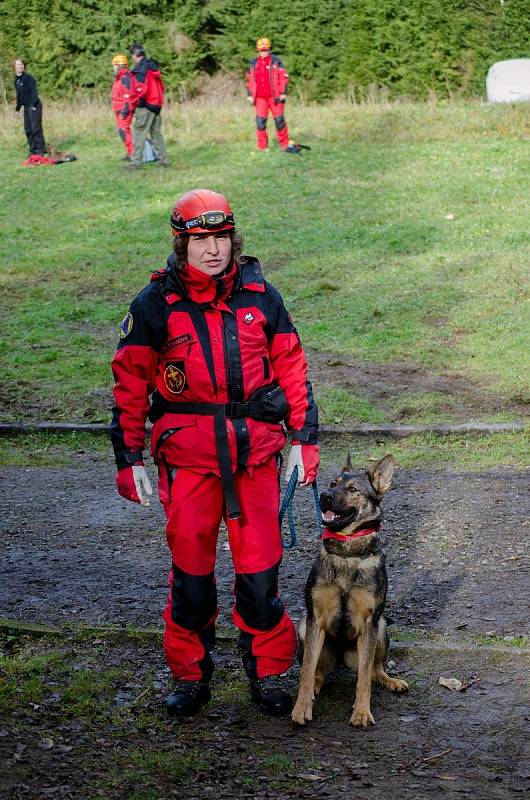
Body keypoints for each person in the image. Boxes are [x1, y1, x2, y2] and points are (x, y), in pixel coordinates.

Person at [111, 189, 319, 717]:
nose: (213, 249)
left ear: (233, 238)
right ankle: (189, 675)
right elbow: (130, 385)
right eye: (200, 239)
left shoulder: (261, 296)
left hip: (255, 458)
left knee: (260, 572)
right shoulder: (153, 303)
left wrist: (304, 440)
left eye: (221, 237)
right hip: (189, 461)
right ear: (182, 243)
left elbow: (293, 369)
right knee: (192, 576)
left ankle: (269, 672)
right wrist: (128, 456)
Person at [245, 38, 298, 154]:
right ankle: (263, 147)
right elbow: (249, 80)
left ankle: (284, 144)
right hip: (260, 98)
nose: (263, 52)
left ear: (268, 49)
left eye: (265, 49)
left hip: (276, 97)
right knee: (260, 122)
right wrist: (249, 94)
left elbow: (283, 77)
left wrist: (283, 92)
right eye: (261, 50)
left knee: (279, 121)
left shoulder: (276, 61)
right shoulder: (253, 63)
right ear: (258, 50)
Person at [126, 43, 169, 169]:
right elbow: (160, 87)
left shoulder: (141, 69)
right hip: (156, 104)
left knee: (139, 134)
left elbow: (140, 90)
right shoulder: (152, 67)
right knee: (156, 134)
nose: (132, 58)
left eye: (132, 55)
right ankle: (164, 161)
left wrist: (135, 105)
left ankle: (135, 163)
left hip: (145, 106)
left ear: (135, 55)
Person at [14, 58, 46, 157]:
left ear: (24, 66)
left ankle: (40, 150)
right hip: (26, 107)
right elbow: (19, 96)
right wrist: (17, 109)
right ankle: (32, 151)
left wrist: (33, 105)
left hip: (34, 105)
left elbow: (34, 92)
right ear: (14, 67)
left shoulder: (29, 78)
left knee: (36, 128)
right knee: (28, 129)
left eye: (21, 65)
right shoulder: (16, 80)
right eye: (18, 65)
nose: (20, 66)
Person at [111, 54, 134, 161]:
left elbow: (127, 95)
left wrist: (125, 109)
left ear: (119, 65)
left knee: (124, 130)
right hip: (118, 108)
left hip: (124, 109)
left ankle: (132, 153)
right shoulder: (118, 78)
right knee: (122, 130)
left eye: (114, 65)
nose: (113, 67)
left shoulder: (125, 78)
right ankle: (130, 152)